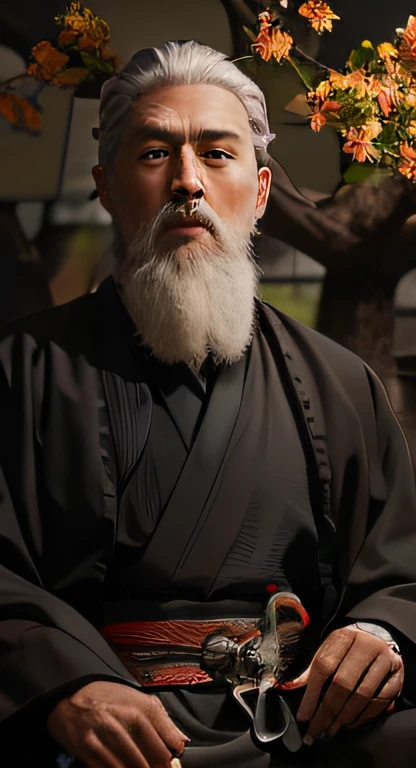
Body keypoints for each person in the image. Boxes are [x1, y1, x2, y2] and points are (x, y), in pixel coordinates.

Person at [1, 40, 416, 768]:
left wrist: (380, 636)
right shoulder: (23, 371)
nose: (187, 183)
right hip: (104, 739)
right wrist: (62, 686)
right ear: (105, 186)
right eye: (155, 153)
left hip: (296, 729)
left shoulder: (340, 385)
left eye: (217, 155)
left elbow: (401, 571)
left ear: (258, 193)